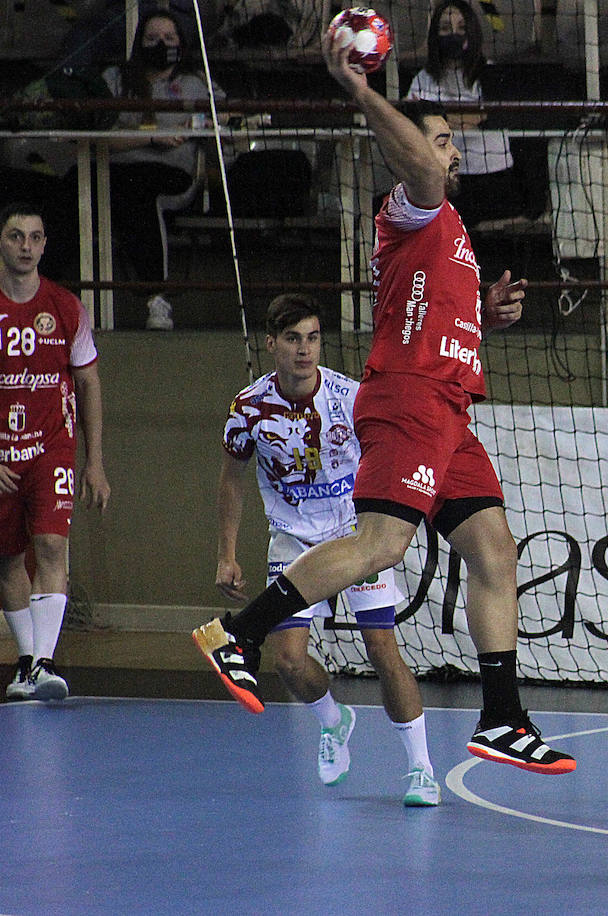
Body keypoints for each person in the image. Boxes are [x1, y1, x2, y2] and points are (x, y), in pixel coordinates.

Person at [190, 26, 575, 778]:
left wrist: (482, 319)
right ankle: (237, 633)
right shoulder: (410, 209)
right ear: (410, 154)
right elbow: (420, 170)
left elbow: (433, 318)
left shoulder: (454, 234)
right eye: (435, 141)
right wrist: (364, 91)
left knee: (494, 548)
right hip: (408, 401)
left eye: (450, 145)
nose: (448, 153)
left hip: (451, 408)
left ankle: (502, 715)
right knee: (381, 545)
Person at [216, 294, 440, 805]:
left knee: (383, 649)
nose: (304, 350)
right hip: (293, 540)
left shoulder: (350, 396)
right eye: (293, 339)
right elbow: (231, 481)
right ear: (271, 343)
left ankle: (421, 768)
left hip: (353, 537)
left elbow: (390, 451)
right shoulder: (248, 408)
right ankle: (334, 722)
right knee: (288, 661)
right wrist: (226, 554)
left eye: (312, 338)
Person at [0, 202, 109, 701]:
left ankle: (44, 661)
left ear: (43, 245)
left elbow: (88, 382)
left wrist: (95, 461)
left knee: (52, 546)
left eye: (35, 238)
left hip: (51, 449)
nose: (26, 247)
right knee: (6, 557)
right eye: (16, 237)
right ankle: (26, 662)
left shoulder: (65, 307)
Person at [99, 8, 223, 331]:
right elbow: (99, 137)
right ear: (139, 42)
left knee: (140, 189)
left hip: (173, 175)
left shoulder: (195, 83)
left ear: (181, 43)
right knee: (114, 187)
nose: (160, 44)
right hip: (115, 174)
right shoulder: (116, 80)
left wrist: (200, 123)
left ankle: (157, 299)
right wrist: (151, 136)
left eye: (168, 38)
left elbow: (225, 119)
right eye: (152, 38)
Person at [405, 0, 525, 229]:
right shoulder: (423, 79)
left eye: (461, 28)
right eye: (445, 29)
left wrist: (448, 120)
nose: (454, 35)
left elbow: (481, 117)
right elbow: (415, 124)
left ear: (472, 33)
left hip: (492, 177)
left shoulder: (489, 74)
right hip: (444, 180)